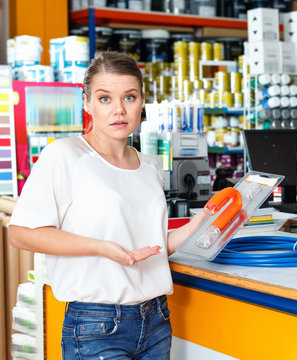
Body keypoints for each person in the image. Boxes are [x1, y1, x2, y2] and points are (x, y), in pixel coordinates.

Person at [8, 51, 206, 359]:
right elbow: (21, 233)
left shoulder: (150, 166)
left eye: (129, 97)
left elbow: (148, 246)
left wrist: (202, 223)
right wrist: (103, 248)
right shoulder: (65, 155)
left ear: (142, 102)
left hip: (156, 321)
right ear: (86, 102)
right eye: (104, 99)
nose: (118, 110)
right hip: (95, 326)